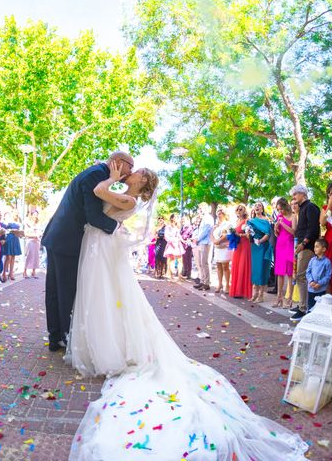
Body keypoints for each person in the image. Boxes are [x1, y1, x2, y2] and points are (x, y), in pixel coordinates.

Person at [67, 162, 308, 461]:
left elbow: (99, 190)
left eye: (138, 172)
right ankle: (100, 343)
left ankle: (113, 349)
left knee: (109, 298)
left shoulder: (127, 199)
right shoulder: (122, 192)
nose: (133, 172)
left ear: (143, 184)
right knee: (101, 298)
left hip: (103, 249)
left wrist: (112, 178)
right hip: (97, 247)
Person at [41, 151, 133, 352]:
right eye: (130, 166)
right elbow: (93, 216)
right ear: (117, 162)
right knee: (65, 290)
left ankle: (56, 336)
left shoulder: (96, 173)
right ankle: (66, 336)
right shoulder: (96, 175)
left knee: (55, 290)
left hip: (59, 237)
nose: (130, 171)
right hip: (68, 240)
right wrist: (118, 228)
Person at [290, 185, 320, 321]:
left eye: (295, 194)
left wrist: (303, 243)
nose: (294, 197)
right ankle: (303, 305)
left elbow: (313, 229)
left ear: (303, 194)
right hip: (301, 247)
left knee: (302, 277)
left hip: (307, 248)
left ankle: (304, 308)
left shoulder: (310, 207)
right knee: (300, 276)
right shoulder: (302, 209)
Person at [247, 201, 273, 302]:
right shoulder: (251, 221)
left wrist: (260, 241)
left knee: (262, 270)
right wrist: (248, 233)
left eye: (259, 206)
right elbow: (249, 237)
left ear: (262, 209)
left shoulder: (266, 220)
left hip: (263, 246)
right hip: (254, 247)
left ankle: (261, 295)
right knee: (255, 270)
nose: (257, 207)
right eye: (255, 205)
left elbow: (267, 234)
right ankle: (255, 293)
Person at [274, 197, 295, 308]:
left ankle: (289, 298)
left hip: (290, 245)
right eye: (278, 210)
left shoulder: (293, 216)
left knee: (290, 273)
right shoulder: (279, 217)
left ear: (286, 206)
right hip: (280, 245)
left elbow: (294, 232)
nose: (280, 211)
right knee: (280, 272)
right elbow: (277, 234)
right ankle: (279, 297)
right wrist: (276, 228)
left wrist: (283, 224)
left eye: (281, 209)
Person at [229, 204, 252, 299]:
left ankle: (242, 291)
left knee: (243, 266)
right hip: (237, 246)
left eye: (241, 209)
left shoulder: (247, 221)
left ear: (245, 210)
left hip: (245, 245)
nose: (239, 210)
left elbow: (248, 236)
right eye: (237, 209)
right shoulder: (237, 221)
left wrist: (239, 235)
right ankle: (236, 290)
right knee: (236, 266)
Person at [306, 239, 332, 312]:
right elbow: (308, 272)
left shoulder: (327, 262)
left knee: (319, 308)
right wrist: (311, 281)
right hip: (311, 289)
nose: (315, 248)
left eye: (317, 247)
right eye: (314, 246)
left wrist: (319, 283)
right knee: (310, 307)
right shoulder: (312, 260)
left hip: (321, 290)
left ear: (323, 249)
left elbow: (328, 276)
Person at [211, 207, 232, 293]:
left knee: (225, 266)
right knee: (218, 266)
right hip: (217, 248)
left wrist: (219, 240)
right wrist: (214, 241)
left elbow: (226, 235)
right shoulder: (216, 225)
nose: (218, 215)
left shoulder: (228, 224)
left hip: (224, 247)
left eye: (220, 213)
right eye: (217, 213)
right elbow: (211, 234)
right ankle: (220, 284)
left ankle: (227, 284)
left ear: (224, 214)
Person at [194, 203, 214, 290]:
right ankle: (202, 281)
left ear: (206, 208)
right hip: (200, 242)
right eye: (199, 208)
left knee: (204, 263)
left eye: (202, 208)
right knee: (200, 263)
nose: (200, 210)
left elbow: (206, 230)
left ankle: (207, 283)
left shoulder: (208, 217)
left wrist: (198, 239)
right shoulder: (203, 218)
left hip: (205, 242)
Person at [163, 213, 184, 279]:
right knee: (171, 260)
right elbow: (166, 236)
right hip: (171, 244)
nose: (177, 219)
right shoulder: (168, 226)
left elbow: (179, 235)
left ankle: (179, 275)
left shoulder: (177, 227)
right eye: (175, 217)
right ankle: (171, 276)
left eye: (177, 217)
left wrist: (183, 240)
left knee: (180, 260)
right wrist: (171, 241)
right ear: (172, 218)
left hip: (178, 244)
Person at [23, 211, 42, 278]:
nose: (35, 216)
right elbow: (25, 234)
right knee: (29, 256)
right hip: (30, 241)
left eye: (36, 214)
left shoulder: (38, 224)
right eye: (34, 214)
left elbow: (40, 232)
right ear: (31, 215)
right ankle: (24, 271)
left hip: (37, 242)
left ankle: (33, 271)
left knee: (36, 257)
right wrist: (33, 235)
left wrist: (38, 235)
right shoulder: (28, 224)